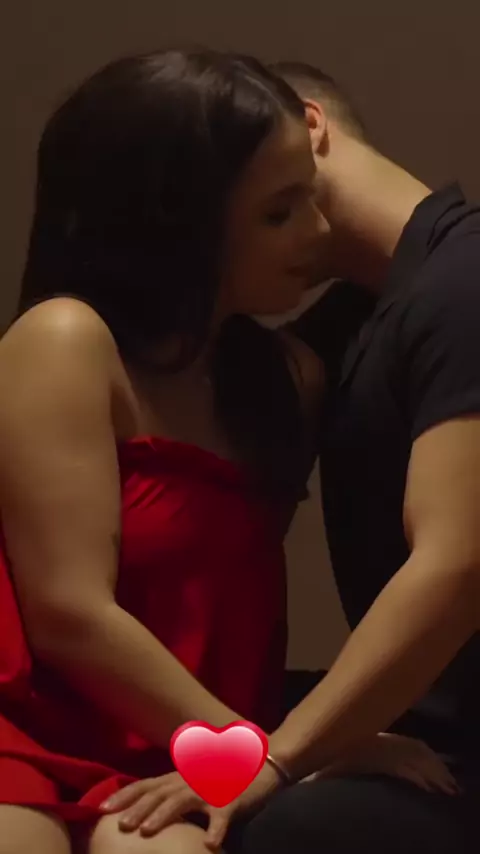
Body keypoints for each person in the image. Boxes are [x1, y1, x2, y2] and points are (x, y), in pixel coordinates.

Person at [101, 62, 480, 852]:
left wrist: (274, 757)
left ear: (305, 128)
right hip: (424, 728)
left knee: (274, 822)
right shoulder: (352, 322)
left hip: (461, 757)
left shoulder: (465, 279)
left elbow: (456, 567)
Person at [0, 47, 325, 854]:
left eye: (312, 200)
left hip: (180, 749)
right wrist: (267, 753)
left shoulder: (284, 378)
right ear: (173, 223)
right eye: (278, 214)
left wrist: (309, 741)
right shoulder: (67, 341)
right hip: (31, 726)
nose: (318, 233)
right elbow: (68, 613)